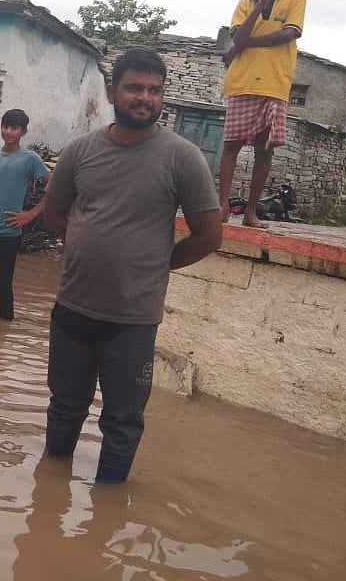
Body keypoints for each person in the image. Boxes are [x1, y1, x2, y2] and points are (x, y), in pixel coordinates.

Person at [42, 47, 222, 483]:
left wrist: (157, 266)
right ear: (112, 92)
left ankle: (105, 510)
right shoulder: (81, 151)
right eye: (134, 88)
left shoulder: (183, 157)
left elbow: (208, 236)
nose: (144, 97)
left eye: (154, 90)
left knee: (122, 423)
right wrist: (85, 245)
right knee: (64, 405)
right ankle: (47, 494)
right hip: (73, 308)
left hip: (133, 320)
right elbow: (54, 212)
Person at [217, 0, 307, 228]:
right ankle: (222, 206)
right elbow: (238, 36)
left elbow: (289, 34)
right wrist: (262, 2)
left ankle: (251, 212)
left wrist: (247, 44)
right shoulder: (247, 3)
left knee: (265, 149)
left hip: (274, 84)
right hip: (242, 82)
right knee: (231, 145)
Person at [0, 109, 51, 321]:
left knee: (5, 283)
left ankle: (4, 327)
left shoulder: (30, 159)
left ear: (23, 132)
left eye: (14, 128)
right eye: (5, 126)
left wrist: (30, 214)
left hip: (10, 232)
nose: (8, 132)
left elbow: (54, 187)